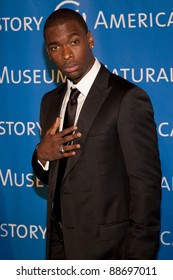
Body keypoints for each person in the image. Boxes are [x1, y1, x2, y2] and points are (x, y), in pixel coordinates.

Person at [32, 8, 162, 260]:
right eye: (55, 47)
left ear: (89, 40)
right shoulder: (49, 102)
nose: (66, 55)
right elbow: (59, 180)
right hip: (59, 248)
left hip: (109, 252)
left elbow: (145, 190)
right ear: (48, 52)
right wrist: (41, 156)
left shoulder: (126, 98)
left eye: (74, 42)